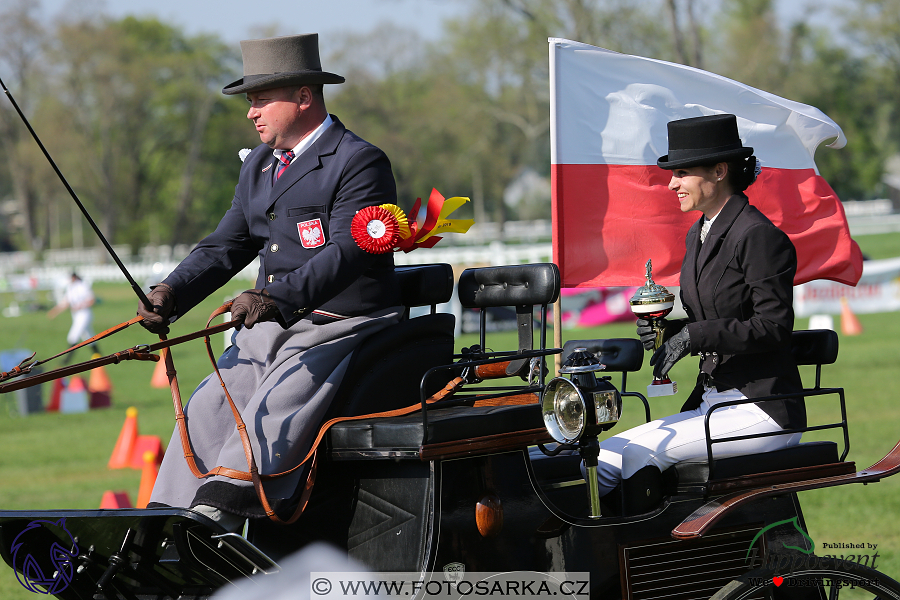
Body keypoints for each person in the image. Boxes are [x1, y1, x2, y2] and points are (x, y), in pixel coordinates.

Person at [138, 34, 402, 530]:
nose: (250, 113)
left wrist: (274, 296)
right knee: (210, 400)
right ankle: (166, 519)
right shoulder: (259, 166)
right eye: (250, 102)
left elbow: (349, 251)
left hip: (341, 321)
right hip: (271, 322)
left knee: (275, 401)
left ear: (304, 96)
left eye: (260, 100)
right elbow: (226, 245)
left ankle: (226, 508)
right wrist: (170, 293)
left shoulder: (359, 161)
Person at [593, 114, 805, 513]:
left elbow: (773, 327)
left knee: (640, 456)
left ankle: (650, 568)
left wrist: (696, 335)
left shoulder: (758, 236)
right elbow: (709, 317)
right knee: (606, 459)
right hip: (713, 402)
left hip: (762, 408)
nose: (671, 183)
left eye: (682, 173)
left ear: (720, 171)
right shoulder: (699, 232)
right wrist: (669, 329)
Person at [47, 272, 101, 363]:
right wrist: (54, 311)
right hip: (76, 315)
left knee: (73, 336)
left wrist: (81, 305)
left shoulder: (83, 286)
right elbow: (65, 302)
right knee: (88, 336)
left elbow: (92, 300)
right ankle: (98, 355)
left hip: (84, 314)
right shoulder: (70, 288)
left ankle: (67, 360)